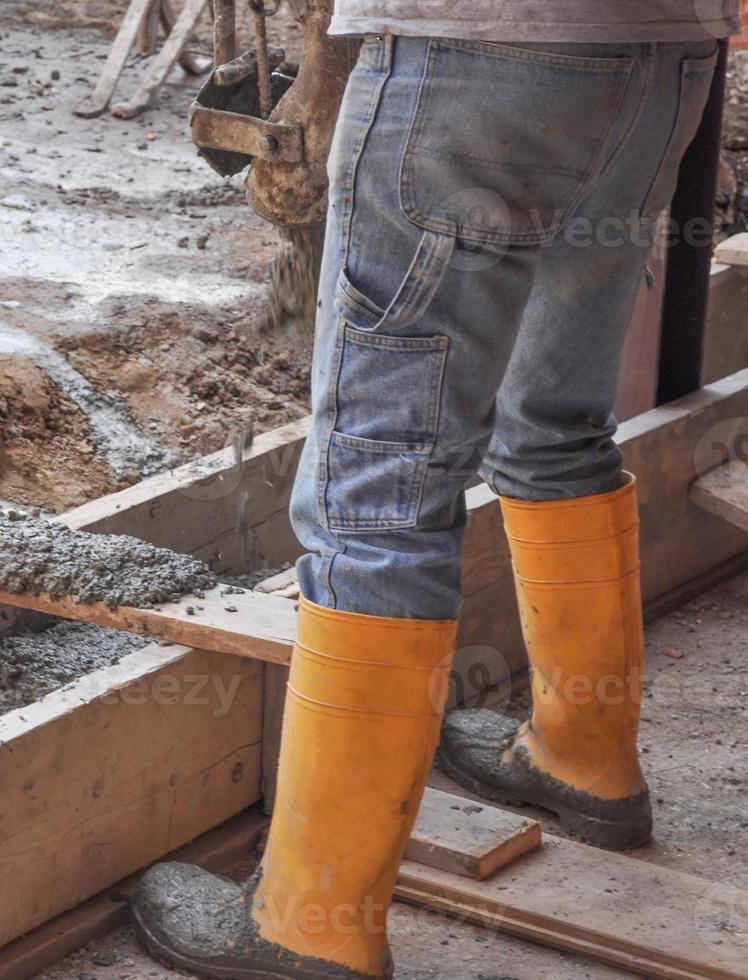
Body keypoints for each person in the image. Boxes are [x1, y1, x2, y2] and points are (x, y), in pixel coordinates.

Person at [131, 3, 741, 977]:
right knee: (556, 421)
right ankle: (586, 757)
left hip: (474, 54)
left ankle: (312, 921)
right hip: (659, 53)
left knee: (377, 485)